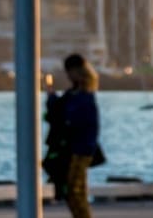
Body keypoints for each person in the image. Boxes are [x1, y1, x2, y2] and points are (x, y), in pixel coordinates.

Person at [44, 54, 101, 218]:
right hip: (72, 147)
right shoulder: (74, 93)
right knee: (72, 190)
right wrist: (51, 97)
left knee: (75, 190)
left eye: (69, 72)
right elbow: (60, 111)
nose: (68, 75)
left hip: (81, 149)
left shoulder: (84, 95)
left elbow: (77, 119)